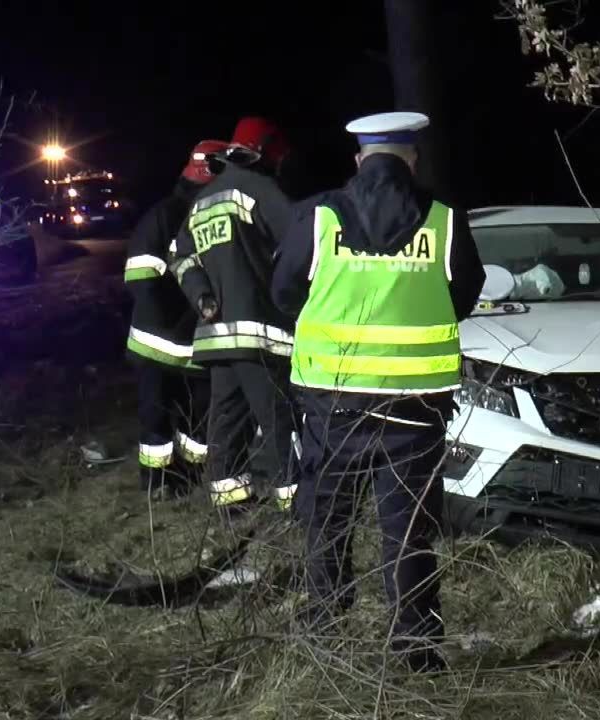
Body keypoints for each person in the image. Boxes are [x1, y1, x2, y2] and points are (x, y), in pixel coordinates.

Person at [270, 111, 484, 672]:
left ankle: (325, 636)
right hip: (415, 407)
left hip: (330, 401)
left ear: (361, 160)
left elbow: (284, 292)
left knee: (327, 518)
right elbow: (465, 295)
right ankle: (416, 649)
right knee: (409, 527)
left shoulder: (318, 217)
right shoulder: (443, 219)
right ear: (411, 161)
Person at [169, 116, 300, 510]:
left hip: (216, 335)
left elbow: (179, 256)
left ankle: (228, 499)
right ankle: (296, 502)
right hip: (259, 333)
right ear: (266, 150)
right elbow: (299, 241)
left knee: (227, 418)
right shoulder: (260, 189)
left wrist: (201, 296)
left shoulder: (202, 200)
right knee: (277, 417)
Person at [124, 139, 227, 499]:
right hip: (161, 342)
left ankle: (186, 479)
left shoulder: (197, 213)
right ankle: (156, 484)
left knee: (195, 420)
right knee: (157, 419)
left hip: (195, 342)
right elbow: (139, 277)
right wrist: (181, 311)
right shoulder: (165, 215)